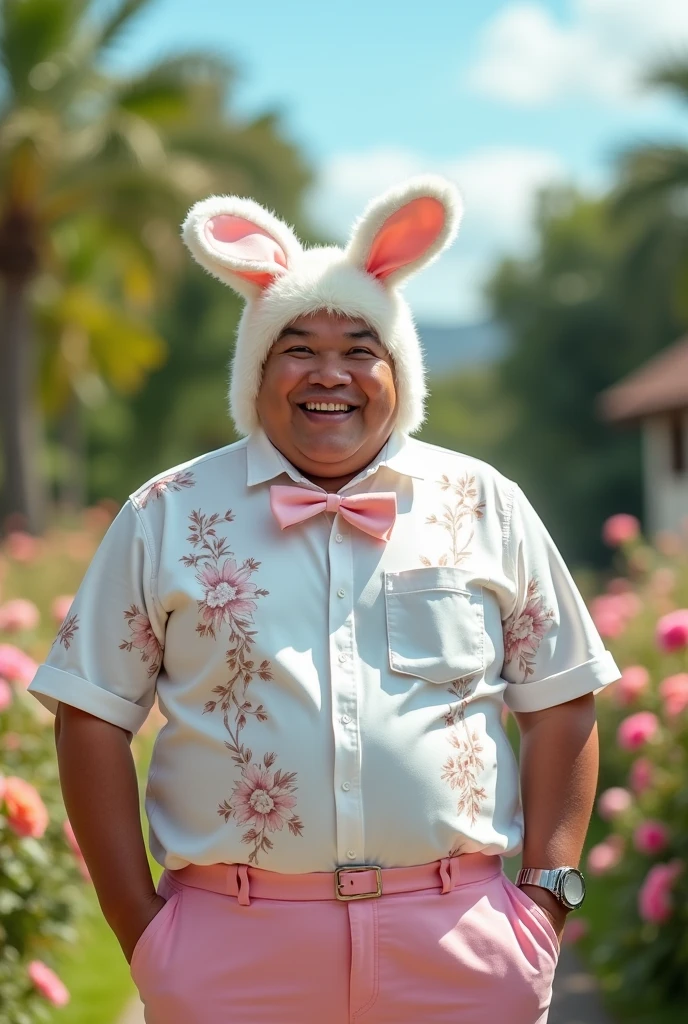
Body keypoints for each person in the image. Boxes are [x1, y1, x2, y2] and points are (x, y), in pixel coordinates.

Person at [29, 176, 621, 1024]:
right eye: (297, 346)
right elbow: (89, 714)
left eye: (360, 347)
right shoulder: (167, 513)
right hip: (232, 954)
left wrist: (546, 900)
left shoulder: (483, 501)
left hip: (462, 949)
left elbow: (562, 695)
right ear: (257, 371)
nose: (329, 373)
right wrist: (143, 933)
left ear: (398, 370)